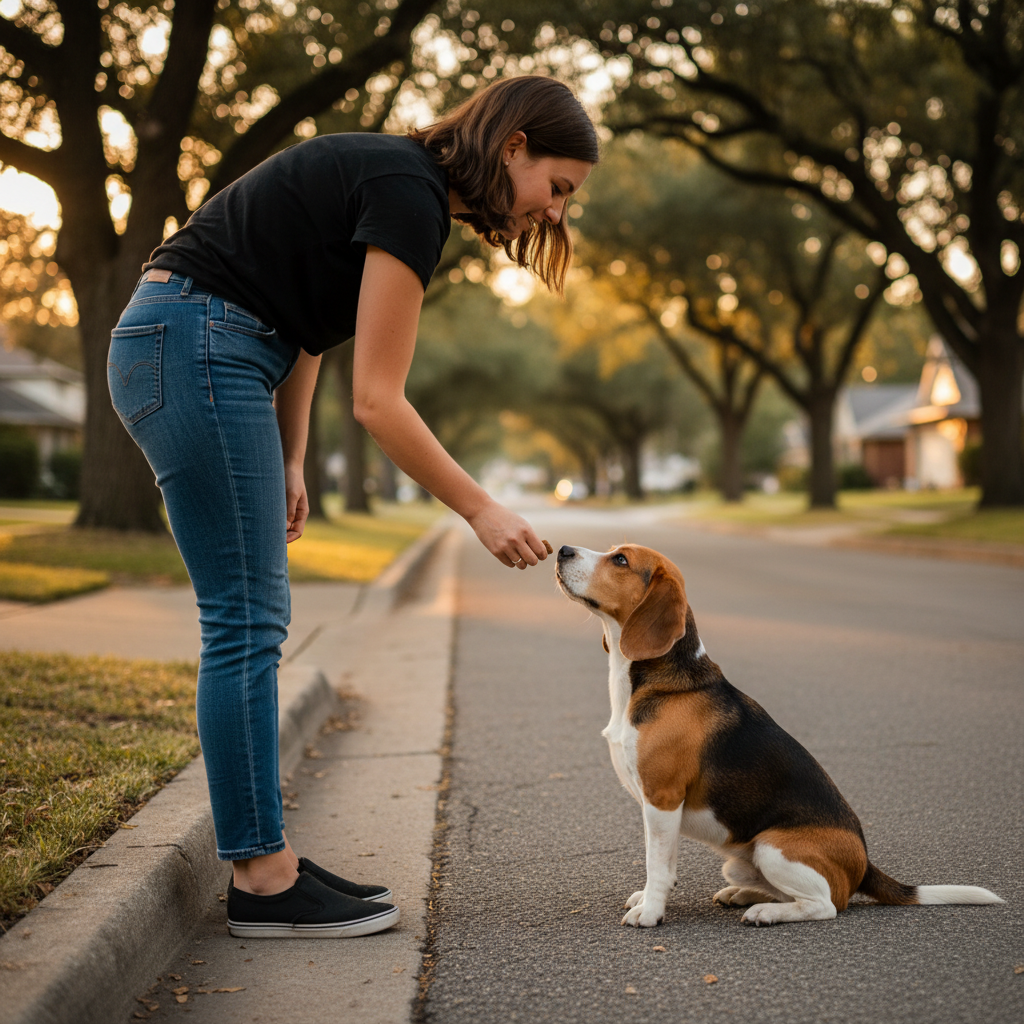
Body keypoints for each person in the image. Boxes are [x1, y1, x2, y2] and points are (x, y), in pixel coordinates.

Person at [107, 75, 598, 939]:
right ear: (513, 145)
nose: (556, 213)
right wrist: (480, 509)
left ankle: (271, 862)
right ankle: (262, 881)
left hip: (205, 343)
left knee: (253, 617)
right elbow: (380, 401)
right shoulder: (408, 193)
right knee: (246, 620)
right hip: (197, 344)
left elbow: (302, 323)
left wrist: (291, 450)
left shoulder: (397, 180)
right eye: (558, 188)